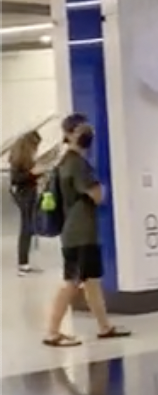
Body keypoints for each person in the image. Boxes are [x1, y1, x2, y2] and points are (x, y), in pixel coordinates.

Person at [44, 113, 131, 348]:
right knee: (72, 281)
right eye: (80, 129)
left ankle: (104, 327)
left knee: (91, 281)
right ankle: (52, 332)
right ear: (68, 135)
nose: (85, 133)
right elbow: (97, 195)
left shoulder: (66, 162)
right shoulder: (76, 164)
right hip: (79, 233)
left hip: (78, 231)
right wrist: (103, 189)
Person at [9, 130, 43, 274]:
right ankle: (23, 263)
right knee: (26, 228)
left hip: (26, 193)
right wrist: (33, 174)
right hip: (25, 195)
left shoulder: (21, 158)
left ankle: (24, 262)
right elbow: (16, 179)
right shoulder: (19, 160)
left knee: (28, 227)